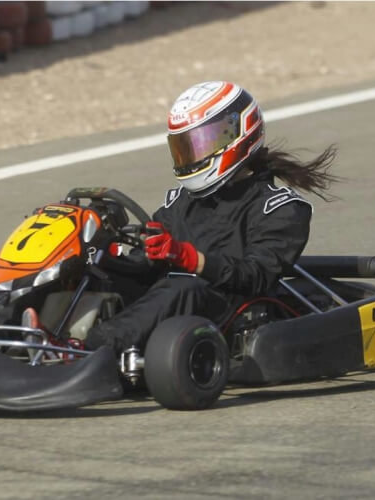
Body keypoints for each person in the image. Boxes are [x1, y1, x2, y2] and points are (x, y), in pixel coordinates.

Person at [83, 81, 338, 354]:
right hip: (177, 305)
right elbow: (149, 264)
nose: (192, 155)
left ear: (238, 133)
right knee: (95, 272)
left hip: (233, 311)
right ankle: (47, 332)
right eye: (185, 146)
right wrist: (110, 253)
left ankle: (95, 349)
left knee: (182, 288)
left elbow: (256, 277)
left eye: (200, 143)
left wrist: (191, 259)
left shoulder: (279, 208)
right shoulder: (181, 201)